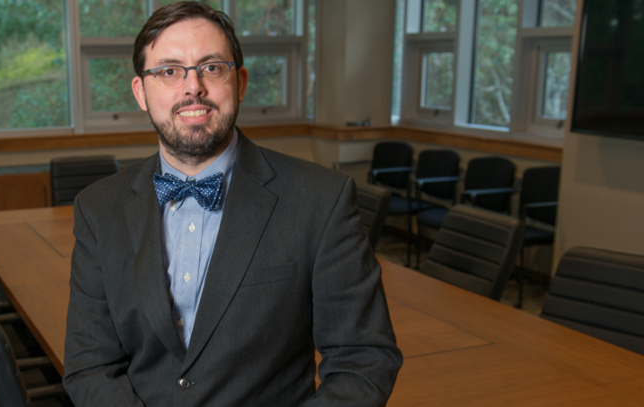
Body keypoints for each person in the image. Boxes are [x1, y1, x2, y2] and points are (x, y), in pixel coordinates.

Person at [62, 2, 402, 406]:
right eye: (169, 71)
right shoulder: (97, 208)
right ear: (141, 92)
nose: (193, 88)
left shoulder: (321, 201)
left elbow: (363, 360)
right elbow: (90, 364)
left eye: (211, 67)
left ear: (239, 83)